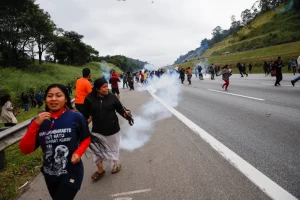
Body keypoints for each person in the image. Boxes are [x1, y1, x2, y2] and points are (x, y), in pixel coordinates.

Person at [19, 84, 106, 200]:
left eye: (58, 95)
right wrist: (35, 125)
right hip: (50, 174)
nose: (54, 99)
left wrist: (78, 152)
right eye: (50, 96)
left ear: (65, 99)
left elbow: (86, 138)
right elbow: (25, 149)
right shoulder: (39, 122)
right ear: (46, 99)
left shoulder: (76, 117)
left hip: (72, 171)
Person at [82, 78, 134, 181]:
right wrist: (81, 126)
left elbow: (121, 110)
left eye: (107, 86)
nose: (106, 89)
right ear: (97, 89)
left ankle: (116, 164)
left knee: (113, 148)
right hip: (97, 130)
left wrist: (128, 117)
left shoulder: (112, 97)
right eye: (104, 87)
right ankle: (100, 170)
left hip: (113, 129)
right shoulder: (89, 99)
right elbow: (85, 115)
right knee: (96, 151)